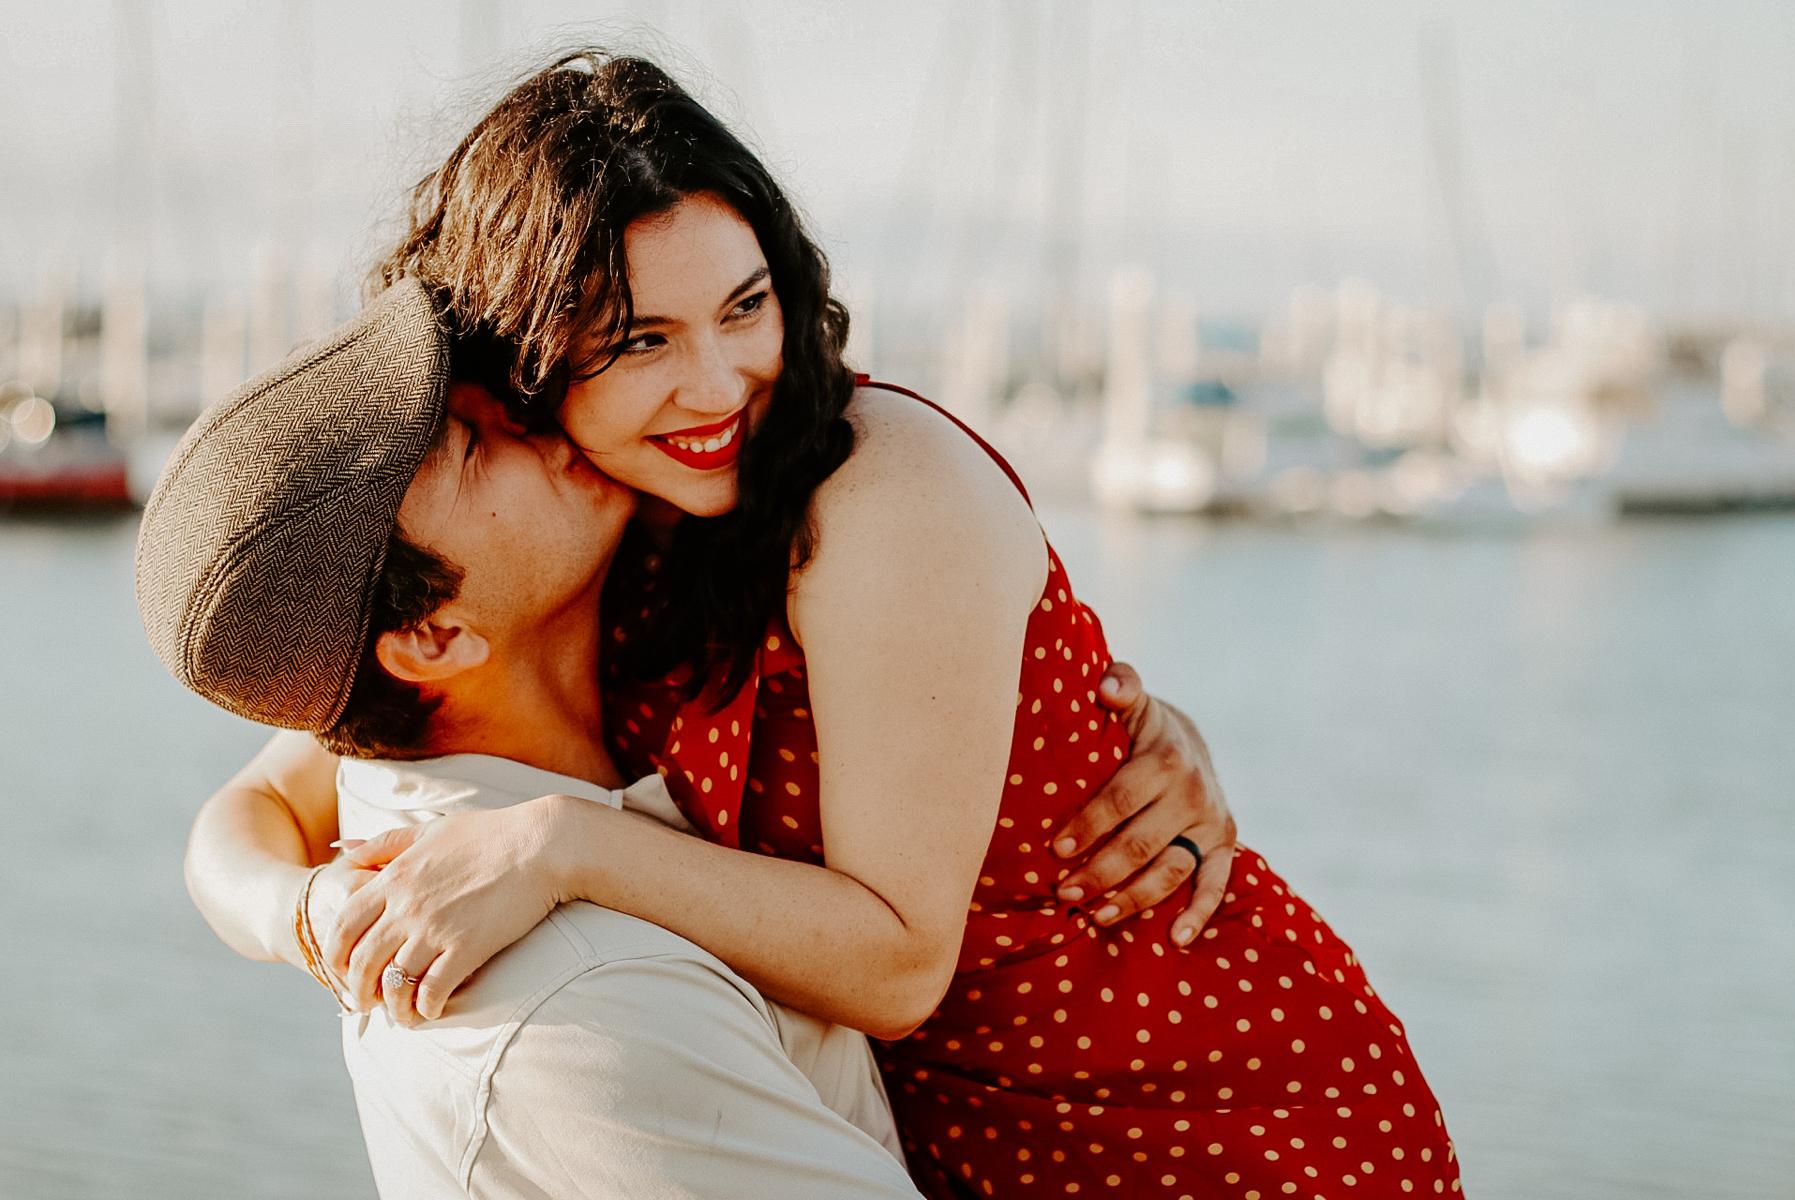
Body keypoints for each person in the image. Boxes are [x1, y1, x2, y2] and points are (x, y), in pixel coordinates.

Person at [201, 48, 1462, 1198]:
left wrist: (559, 847)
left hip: (1202, 1114)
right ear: (523, 364)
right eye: (640, 341)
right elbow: (260, 804)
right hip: (927, 1135)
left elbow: (900, 964)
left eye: (744, 307)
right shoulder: (583, 529)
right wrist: (314, 923)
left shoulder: (873, 487)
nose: (718, 385)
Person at [137, 279, 923, 1199]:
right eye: (471, 444)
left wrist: (302, 913)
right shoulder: (596, 1012)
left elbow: (257, 803)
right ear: (433, 638)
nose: (533, 413)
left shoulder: (412, 726)